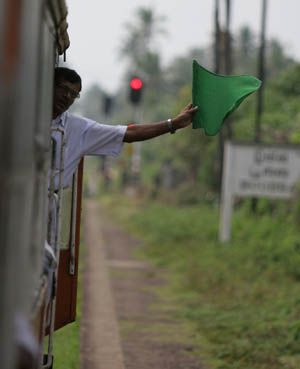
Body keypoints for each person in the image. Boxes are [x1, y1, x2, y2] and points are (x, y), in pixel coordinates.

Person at [52, 67, 198, 188]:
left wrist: (173, 124)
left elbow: (128, 133)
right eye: (63, 88)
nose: (66, 96)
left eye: (73, 94)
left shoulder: (79, 128)